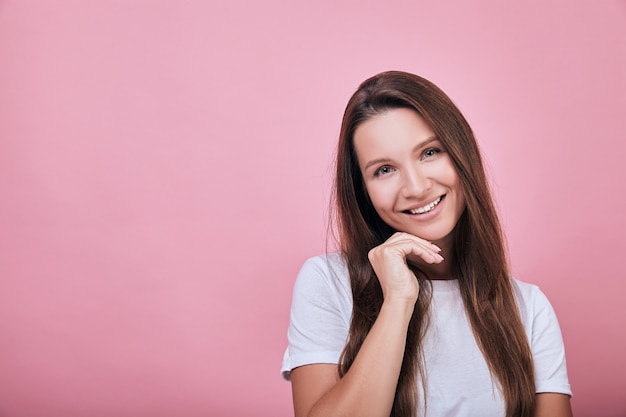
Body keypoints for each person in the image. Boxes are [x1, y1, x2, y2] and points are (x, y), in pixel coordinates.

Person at [281, 71, 572, 417]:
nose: (416, 187)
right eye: (384, 170)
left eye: (430, 152)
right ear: (363, 192)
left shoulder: (530, 308)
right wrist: (398, 302)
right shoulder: (327, 282)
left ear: (462, 155)